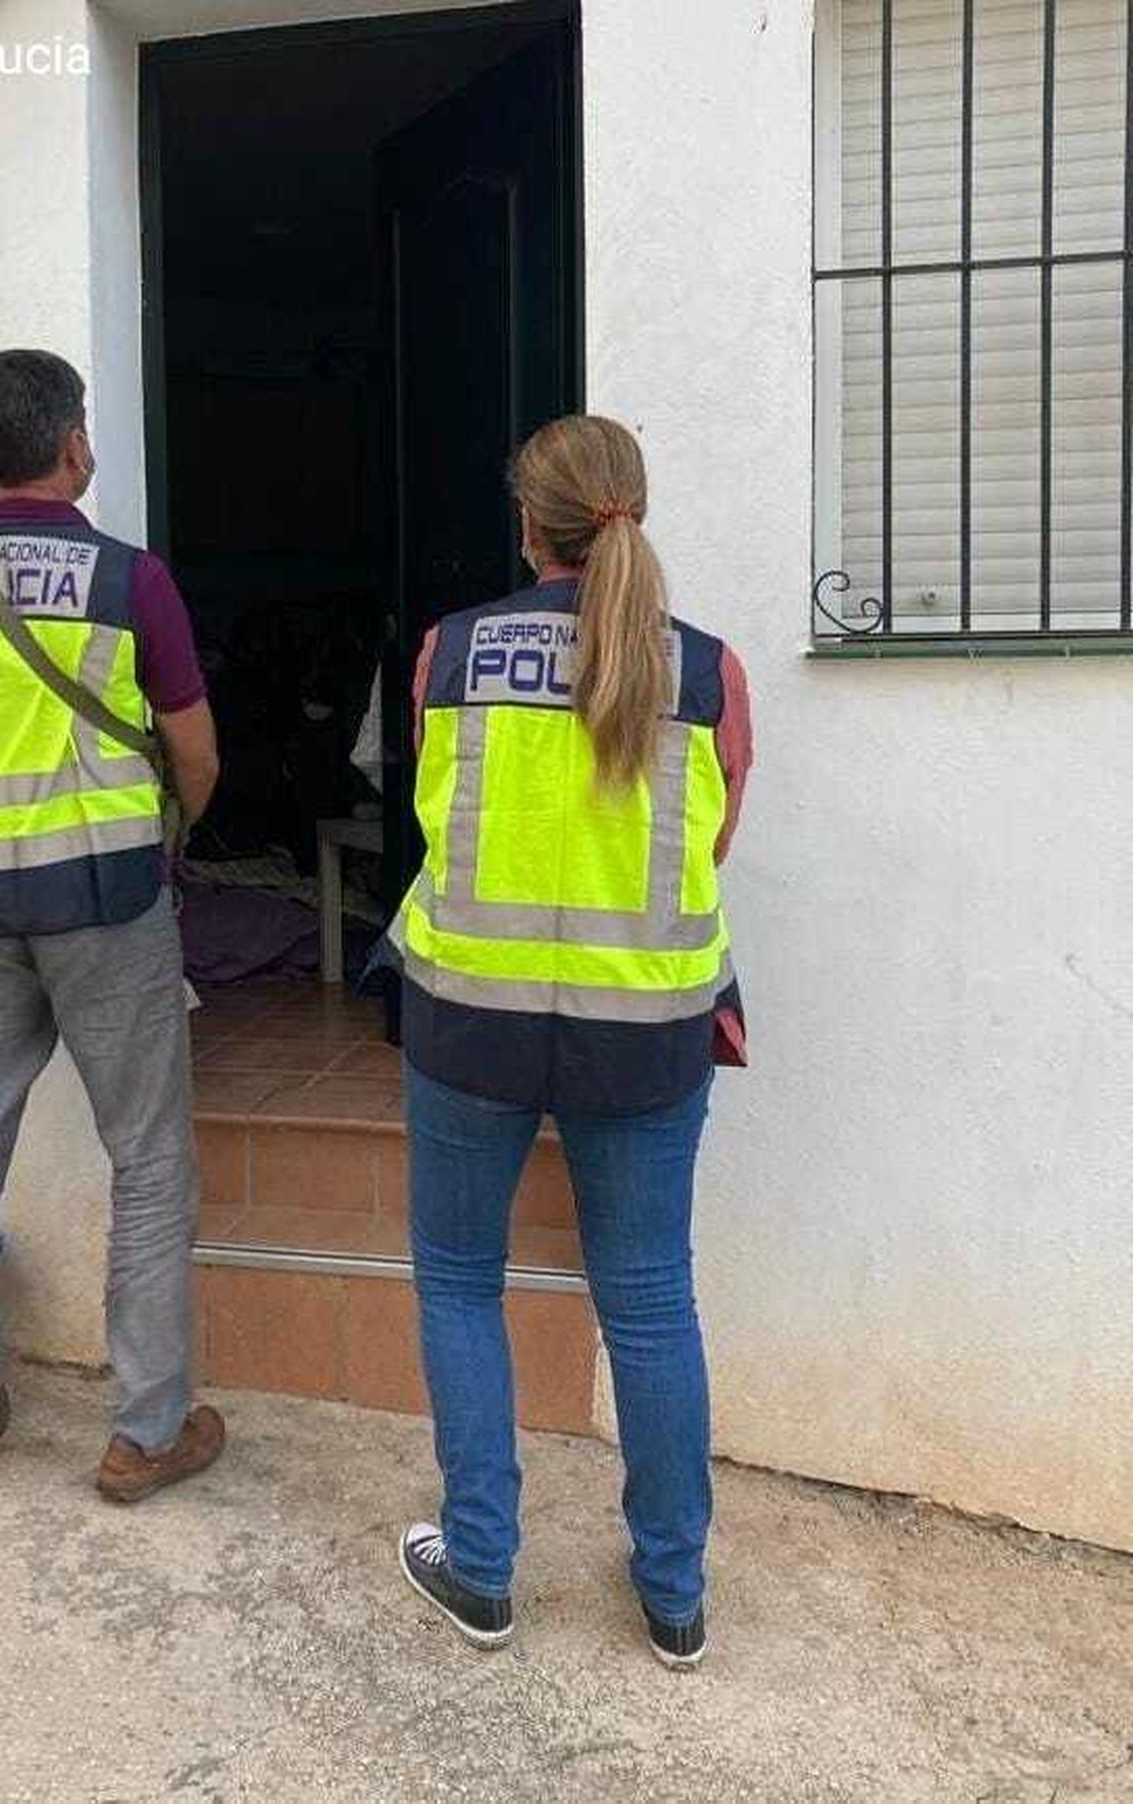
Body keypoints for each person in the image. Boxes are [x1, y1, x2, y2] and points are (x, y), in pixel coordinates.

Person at [387, 414, 752, 1666]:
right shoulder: (707, 672)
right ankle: (673, 1596)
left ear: (526, 526)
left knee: (457, 1280)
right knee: (647, 1302)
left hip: (467, 1024)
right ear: (631, 515)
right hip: (645, 1035)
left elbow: (432, 811)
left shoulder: (449, 652)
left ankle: (481, 1568)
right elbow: (710, 843)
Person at [0, 349, 224, 1498]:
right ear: (74, 443)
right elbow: (195, 754)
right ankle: (146, 1431)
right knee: (147, 1158)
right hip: (108, 905)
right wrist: (166, 834)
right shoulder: (131, 582)